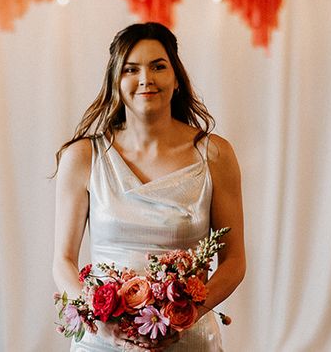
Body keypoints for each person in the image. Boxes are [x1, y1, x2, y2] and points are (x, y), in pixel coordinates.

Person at [53, 22, 246, 351]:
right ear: (116, 81)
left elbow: (234, 262)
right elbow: (63, 260)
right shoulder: (84, 156)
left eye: (158, 66)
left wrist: (184, 317)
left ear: (176, 79)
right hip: (104, 341)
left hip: (188, 338)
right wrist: (101, 322)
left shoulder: (215, 154)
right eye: (131, 69)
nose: (146, 79)